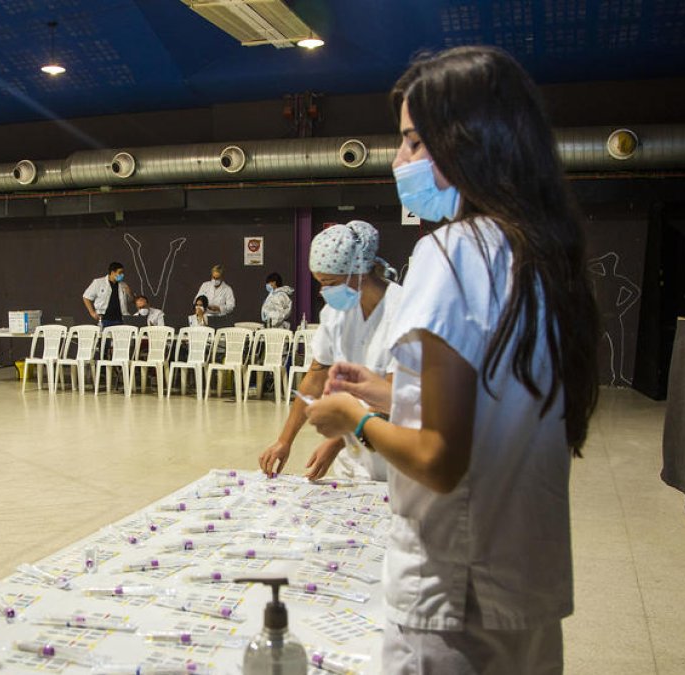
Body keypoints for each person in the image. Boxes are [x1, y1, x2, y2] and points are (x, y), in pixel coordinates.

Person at [303, 46, 600, 673]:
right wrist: (384, 392)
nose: (398, 160)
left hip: (454, 592)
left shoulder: (452, 253)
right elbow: (488, 399)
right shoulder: (537, 252)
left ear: (466, 143)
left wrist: (351, 420)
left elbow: (440, 460)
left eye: (413, 142)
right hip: (521, 577)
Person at [257, 221, 400, 481]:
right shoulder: (336, 313)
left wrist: (336, 443)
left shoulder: (403, 310)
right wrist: (284, 440)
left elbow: (393, 400)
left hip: (394, 458)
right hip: (353, 458)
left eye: (330, 282)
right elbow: (316, 375)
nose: (325, 292)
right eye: (320, 283)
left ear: (359, 272)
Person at [82, 262, 133, 328]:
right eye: (120, 272)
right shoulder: (98, 282)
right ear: (112, 272)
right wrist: (92, 313)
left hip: (120, 319)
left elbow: (131, 300)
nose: (122, 275)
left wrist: (130, 293)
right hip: (104, 319)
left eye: (123, 273)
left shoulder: (123, 285)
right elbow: (86, 297)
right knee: (104, 337)